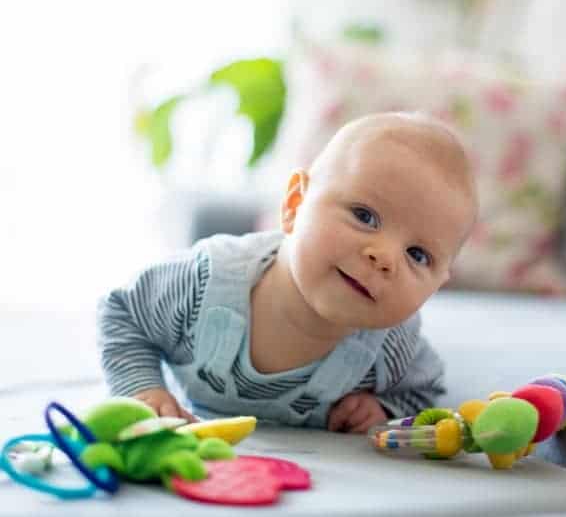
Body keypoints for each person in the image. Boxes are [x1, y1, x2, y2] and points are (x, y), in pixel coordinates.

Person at [98, 112, 478, 433]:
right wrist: (142, 388)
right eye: (365, 216)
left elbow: (425, 389)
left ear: (437, 285)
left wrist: (381, 408)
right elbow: (123, 313)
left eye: (417, 254)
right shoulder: (204, 282)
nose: (384, 257)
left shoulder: (391, 347)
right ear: (296, 203)